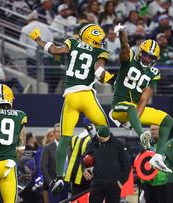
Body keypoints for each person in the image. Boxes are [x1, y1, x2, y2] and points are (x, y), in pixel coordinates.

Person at [29, 23, 114, 192]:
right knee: (106, 130)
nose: (100, 43)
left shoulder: (73, 43)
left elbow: (53, 50)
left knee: (64, 139)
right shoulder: (100, 52)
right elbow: (99, 71)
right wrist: (113, 81)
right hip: (86, 95)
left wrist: (38, 39)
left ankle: (59, 178)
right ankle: (104, 159)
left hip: (70, 98)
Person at [110, 23, 173, 173]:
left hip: (133, 111)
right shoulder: (129, 58)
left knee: (167, 120)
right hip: (118, 107)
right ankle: (143, 137)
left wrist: (133, 121)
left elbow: (144, 99)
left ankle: (157, 156)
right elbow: (125, 46)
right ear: (140, 52)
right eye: (145, 54)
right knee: (131, 107)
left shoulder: (153, 73)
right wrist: (121, 33)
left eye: (150, 57)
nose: (146, 59)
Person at [82, 125, 130, 203]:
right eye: (100, 137)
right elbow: (83, 158)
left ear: (108, 136)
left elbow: (126, 164)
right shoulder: (94, 143)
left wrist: (121, 182)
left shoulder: (118, 144)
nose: (101, 140)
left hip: (113, 184)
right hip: (97, 182)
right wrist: (84, 169)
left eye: (103, 138)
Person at [39, 123, 68, 202]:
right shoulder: (48, 147)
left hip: (67, 183)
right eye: (57, 132)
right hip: (54, 184)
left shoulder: (68, 146)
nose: (59, 134)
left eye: (60, 132)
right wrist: (50, 182)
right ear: (54, 133)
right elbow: (43, 167)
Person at [64, 118, 93, 195]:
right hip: (86, 177)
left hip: (73, 176)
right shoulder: (92, 139)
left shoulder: (74, 138)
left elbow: (70, 157)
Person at [141, 125, 168, 203]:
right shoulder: (146, 145)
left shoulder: (166, 145)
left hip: (162, 182)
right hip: (148, 182)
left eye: (156, 129)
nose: (153, 131)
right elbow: (142, 162)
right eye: (152, 129)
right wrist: (143, 181)